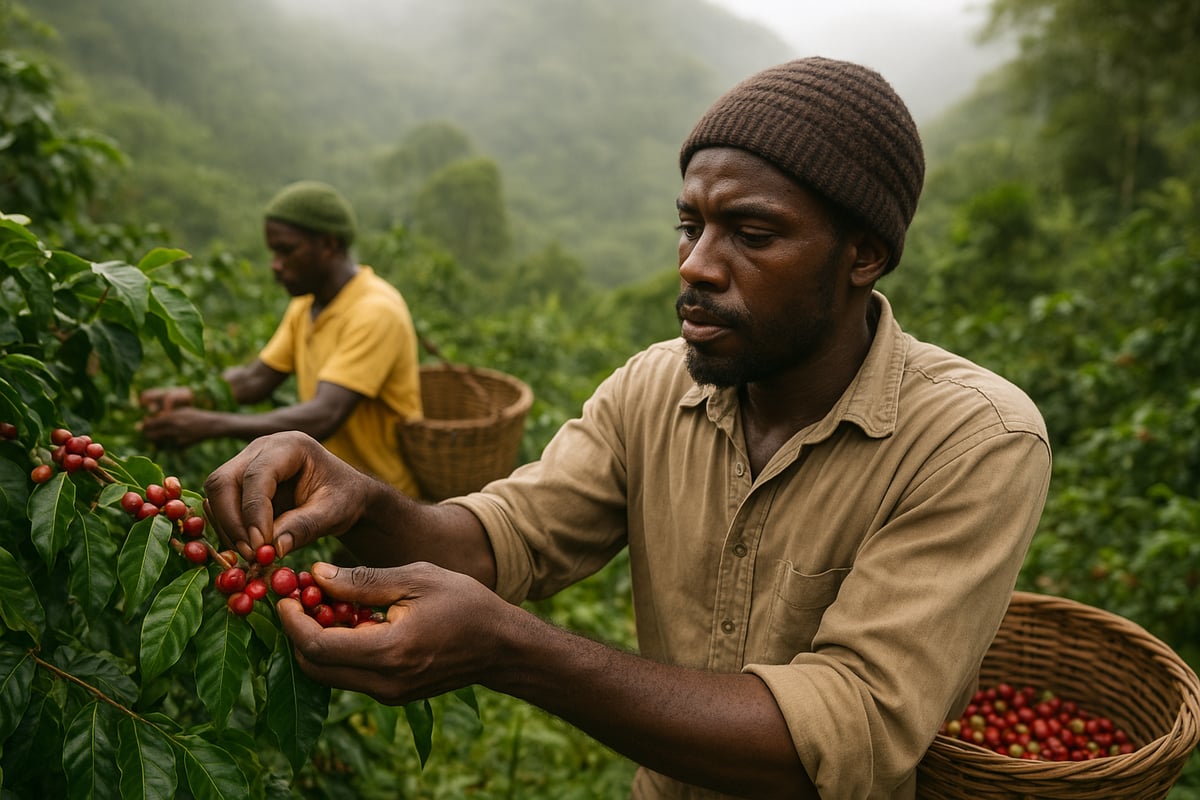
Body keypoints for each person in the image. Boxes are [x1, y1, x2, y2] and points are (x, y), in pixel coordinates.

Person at [203, 58, 1051, 799]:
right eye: (690, 225)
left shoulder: (975, 442)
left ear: (863, 256)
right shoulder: (655, 386)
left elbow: (844, 734)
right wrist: (363, 501)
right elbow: (508, 534)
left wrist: (511, 651)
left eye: (752, 233)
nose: (695, 264)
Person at [142, 180, 424, 496]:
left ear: (329, 245)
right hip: (336, 488)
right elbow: (256, 379)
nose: (275, 265)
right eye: (273, 252)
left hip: (384, 494)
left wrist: (210, 424)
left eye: (286, 250)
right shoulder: (306, 304)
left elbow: (324, 414)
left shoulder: (375, 311)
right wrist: (190, 396)